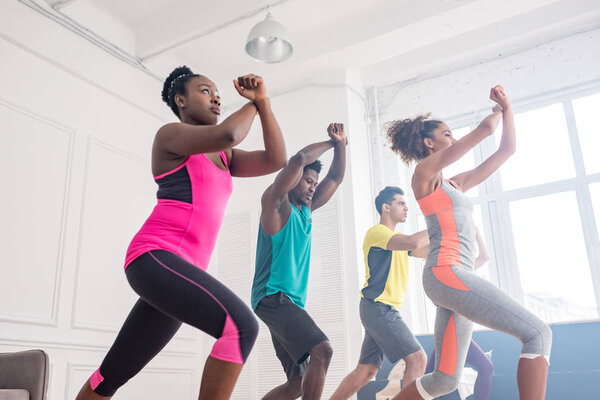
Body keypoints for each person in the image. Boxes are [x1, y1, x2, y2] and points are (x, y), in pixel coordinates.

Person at [75, 66, 287, 400]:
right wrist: (255, 102)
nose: (216, 97)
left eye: (217, 93)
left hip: (180, 271)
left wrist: (265, 104)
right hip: (154, 257)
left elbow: (276, 159)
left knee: (111, 374)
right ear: (180, 100)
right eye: (206, 91)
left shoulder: (224, 156)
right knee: (241, 327)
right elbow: (230, 133)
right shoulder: (170, 136)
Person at [387, 86, 552, 400]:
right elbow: (487, 129)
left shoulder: (455, 184)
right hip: (444, 272)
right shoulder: (424, 174)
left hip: (454, 276)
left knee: (444, 379)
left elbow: (507, 151)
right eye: (447, 134)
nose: (453, 138)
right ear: (428, 142)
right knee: (537, 333)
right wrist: (497, 109)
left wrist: (509, 110)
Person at [251, 124, 347, 400]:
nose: (312, 187)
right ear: (293, 181)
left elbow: (336, 178)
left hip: (287, 303)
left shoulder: (306, 211)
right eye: (307, 181)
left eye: (314, 184)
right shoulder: (276, 205)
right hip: (272, 297)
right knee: (323, 350)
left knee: (298, 382)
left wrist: (341, 145)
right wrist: (331, 142)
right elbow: (298, 160)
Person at [329, 186, 429, 400]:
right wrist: (441, 222)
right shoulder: (378, 233)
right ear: (386, 207)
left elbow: (425, 249)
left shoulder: (398, 240)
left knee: (366, 371)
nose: (406, 207)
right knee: (417, 359)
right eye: (401, 203)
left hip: (380, 309)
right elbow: (414, 241)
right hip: (378, 307)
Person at [423, 228, 494, 400]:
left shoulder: (464, 269)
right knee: (486, 367)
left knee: (428, 378)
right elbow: (436, 299)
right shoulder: (445, 270)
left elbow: (485, 257)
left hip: (458, 328)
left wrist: (475, 231)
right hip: (452, 328)